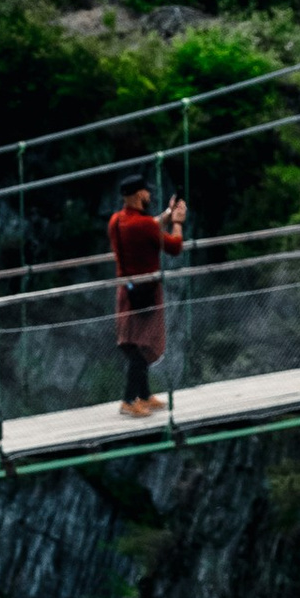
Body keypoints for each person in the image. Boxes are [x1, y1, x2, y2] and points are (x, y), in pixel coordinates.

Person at [106, 174, 184, 417]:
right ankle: (129, 400)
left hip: (126, 291)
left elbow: (146, 226)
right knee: (144, 344)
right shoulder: (144, 226)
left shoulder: (116, 221)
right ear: (139, 195)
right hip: (147, 292)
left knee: (132, 342)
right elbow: (175, 246)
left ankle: (144, 395)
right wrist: (178, 222)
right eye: (146, 192)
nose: (149, 195)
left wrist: (165, 216)